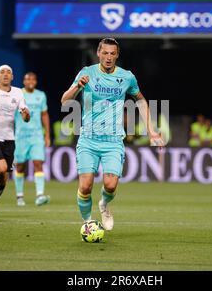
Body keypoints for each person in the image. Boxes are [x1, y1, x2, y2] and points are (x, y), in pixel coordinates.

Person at [60, 37, 164, 231]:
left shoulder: (127, 77)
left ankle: (104, 205)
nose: (108, 57)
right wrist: (77, 87)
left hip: (113, 140)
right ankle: (88, 223)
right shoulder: (86, 73)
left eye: (112, 53)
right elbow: (65, 101)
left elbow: (140, 101)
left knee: (110, 185)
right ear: (98, 53)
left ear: (117, 55)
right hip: (89, 139)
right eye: (105, 53)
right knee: (85, 187)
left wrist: (151, 130)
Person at [0, 65, 30, 219]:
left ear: (12, 76)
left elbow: (25, 115)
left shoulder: (17, 92)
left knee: (3, 177)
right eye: (2, 72)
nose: (5, 74)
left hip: (9, 139)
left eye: (9, 72)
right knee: (1, 168)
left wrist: (26, 115)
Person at [14, 72, 51, 207]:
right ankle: (19, 196)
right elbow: (11, 116)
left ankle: (40, 195)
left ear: (36, 81)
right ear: (23, 81)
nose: (30, 81)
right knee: (20, 166)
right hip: (21, 136)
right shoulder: (18, 94)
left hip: (36, 135)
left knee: (38, 163)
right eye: (27, 78)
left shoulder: (40, 95)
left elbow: (44, 115)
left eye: (33, 79)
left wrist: (47, 135)